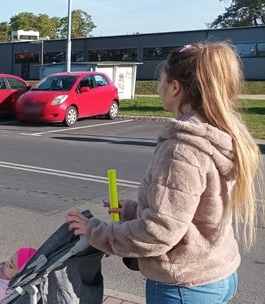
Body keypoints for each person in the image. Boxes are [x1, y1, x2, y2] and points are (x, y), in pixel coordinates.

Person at [66, 42, 262, 304]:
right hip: (217, 273)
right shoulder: (218, 133)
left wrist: (94, 231)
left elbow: (158, 232)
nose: (158, 88)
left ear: (175, 87)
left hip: (183, 285)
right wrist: (133, 210)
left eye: (161, 80)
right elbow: (192, 215)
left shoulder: (182, 148)